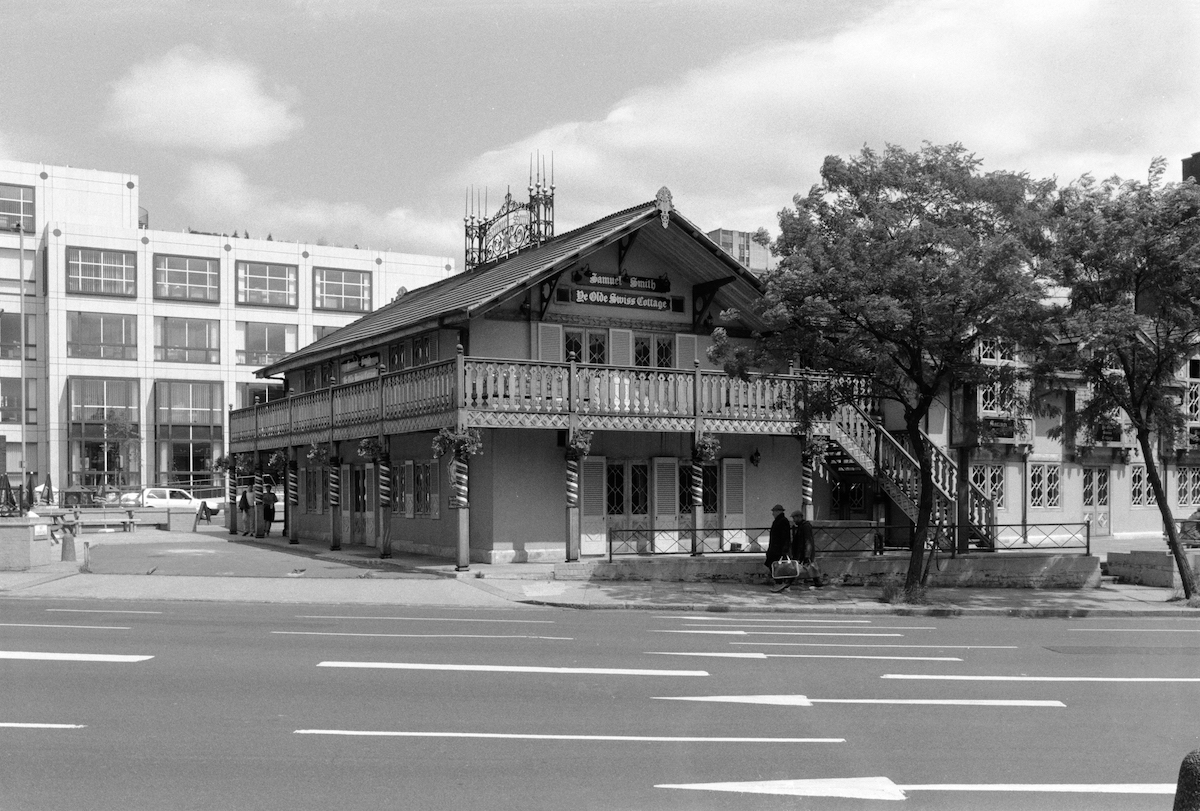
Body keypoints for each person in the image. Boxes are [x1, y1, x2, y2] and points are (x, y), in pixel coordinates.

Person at [790, 509, 823, 589]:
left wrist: (807, 554)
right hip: (802, 552)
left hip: (804, 552)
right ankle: (817, 582)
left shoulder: (805, 526)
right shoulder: (801, 526)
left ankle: (817, 582)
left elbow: (808, 541)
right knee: (809, 567)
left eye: (794, 518)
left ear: (799, 517)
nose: (794, 520)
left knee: (809, 566)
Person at [765, 504, 791, 590]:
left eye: (774, 512)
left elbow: (785, 537)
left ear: (778, 512)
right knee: (772, 565)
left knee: (776, 566)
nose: (773, 514)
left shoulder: (782, 521)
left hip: (778, 549)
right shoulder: (778, 521)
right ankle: (779, 582)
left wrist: (784, 550)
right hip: (775, 548)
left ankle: (780, 582)